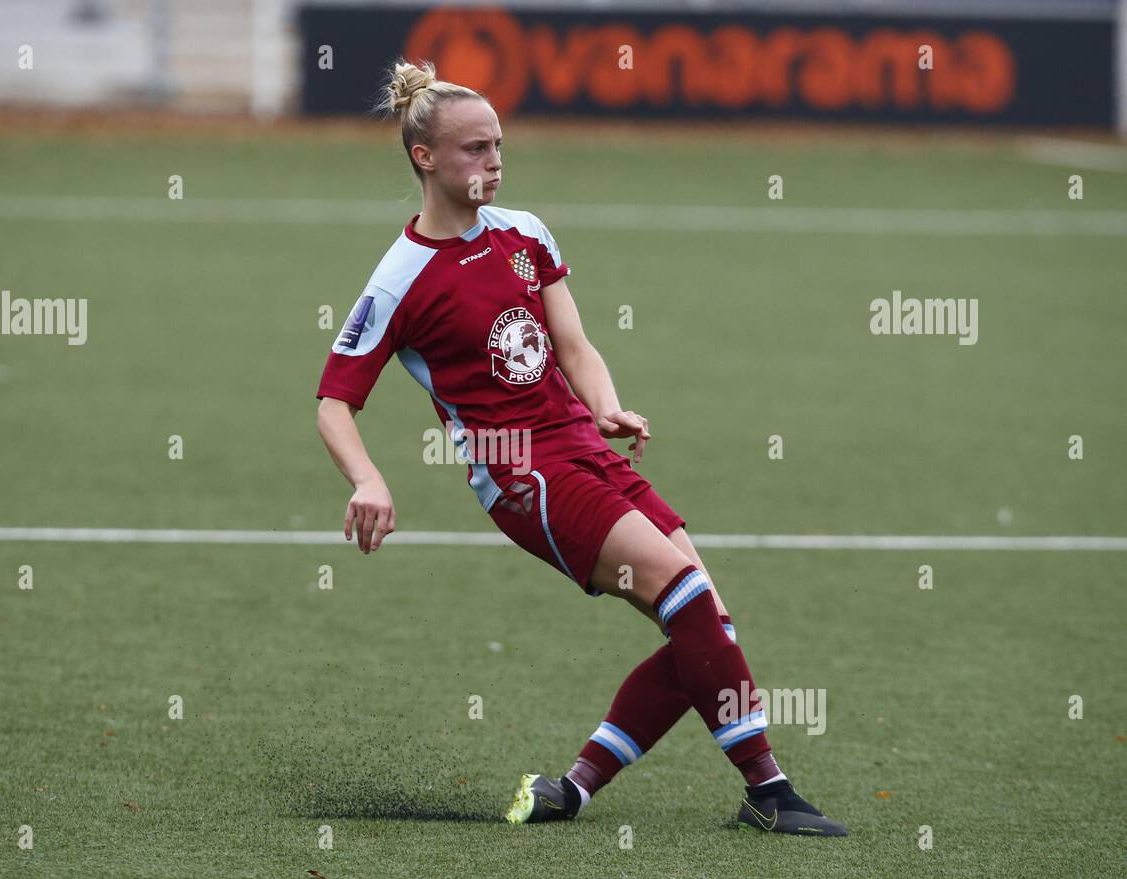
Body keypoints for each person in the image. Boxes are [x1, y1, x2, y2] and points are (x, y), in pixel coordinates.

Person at [314, 59, 846, 836]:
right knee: (687, 597)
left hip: (583, 448)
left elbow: (575, 343)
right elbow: (334, 401)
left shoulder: (525, 234)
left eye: (498, 146)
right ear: (424, 158)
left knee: (708, 623)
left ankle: (573, 790)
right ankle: (769, 792)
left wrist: (606, 406)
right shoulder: (400, 279)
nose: (492, 162)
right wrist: (368, 480)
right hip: (522, 473)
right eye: (473, 150)